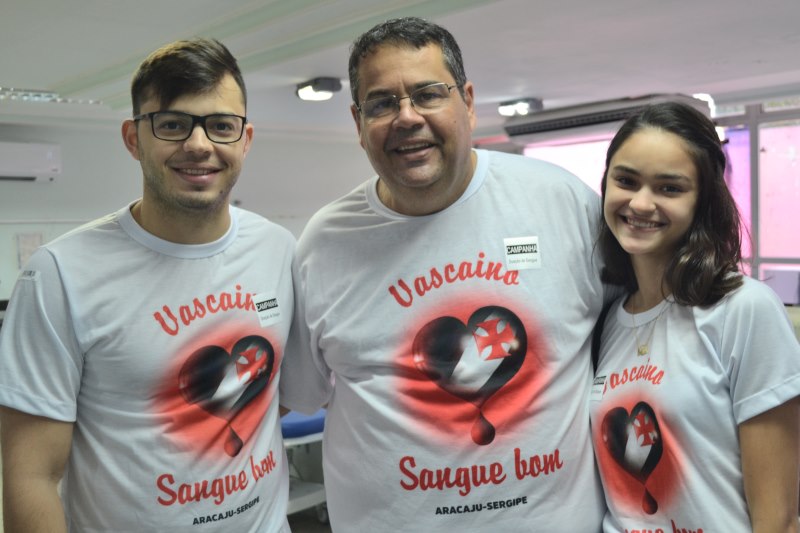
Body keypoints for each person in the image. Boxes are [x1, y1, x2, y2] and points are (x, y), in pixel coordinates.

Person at [280, 16, 609, 531]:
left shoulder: (562, 202)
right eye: (381, 103)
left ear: (468, 102)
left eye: (428, 94)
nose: (407, 117)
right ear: (358, 122)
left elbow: (642, 337)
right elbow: (298, 392)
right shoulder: (324, 243)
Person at [0, 38, 295, 532]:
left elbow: (272, 400)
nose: (199, 145)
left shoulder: (278, 249)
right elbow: (31, 475)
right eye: (173, 124)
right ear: (133, 138)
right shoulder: (61, 274)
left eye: (221, 126)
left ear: (245, 140)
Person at [590, 101, 800, 531]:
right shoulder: (607, 319)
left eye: (669, 188)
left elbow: (777, 518)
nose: (640, 203)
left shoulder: (744, 309)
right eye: (626, 181)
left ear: (702, 201)